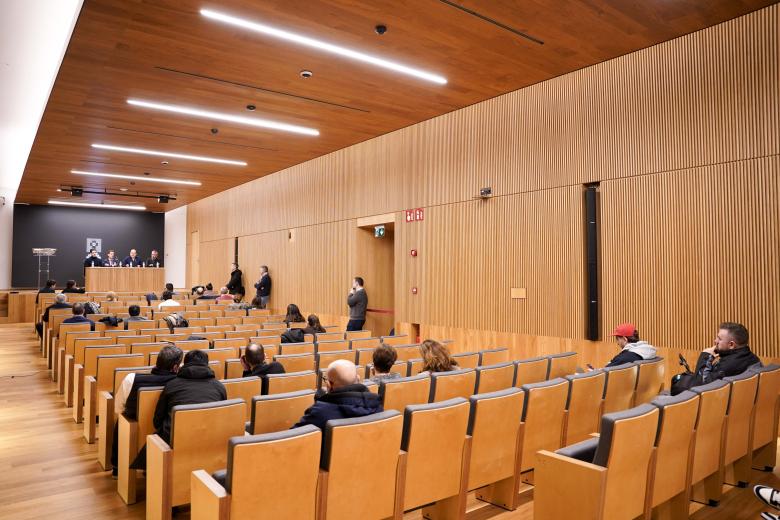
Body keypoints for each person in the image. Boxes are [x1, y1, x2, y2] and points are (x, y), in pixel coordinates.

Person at [110, 345, 182, 476]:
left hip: (132, 433)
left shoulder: (132, 378)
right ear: (176, 367)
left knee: (122, 420)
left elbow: (118, 409)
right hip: (163, 435)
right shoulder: (179, 384)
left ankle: (117, 467)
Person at [152, 350, 227, 444]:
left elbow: (157, 422)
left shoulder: (171, 385)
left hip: (174, 441)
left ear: (185, 364)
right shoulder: (219, 387)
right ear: (207, 365)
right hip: (210, 441)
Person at [292, 359, 382, 433]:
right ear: (358, 379)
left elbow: (295, 438)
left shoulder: (319, 412)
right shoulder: (377, 406)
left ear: (329, 385)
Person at [688, 322, 761, 387]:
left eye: (719, 339)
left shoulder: (728, 365)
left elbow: (700, 383)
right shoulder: (753, 358)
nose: (715, 341)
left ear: (731, 345)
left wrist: (706, 356)